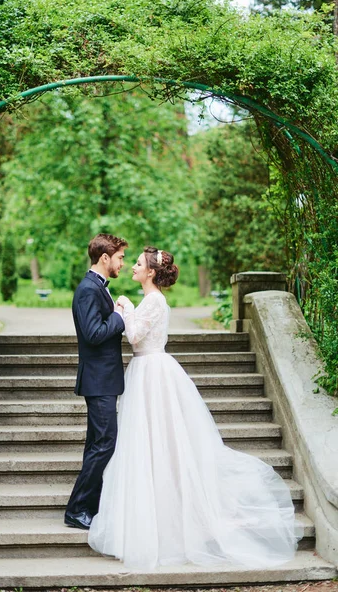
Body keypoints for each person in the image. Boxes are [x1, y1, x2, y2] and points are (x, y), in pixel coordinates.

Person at [88, 246, 303, 570]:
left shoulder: (154, 301)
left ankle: (171, 524)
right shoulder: (152, 300)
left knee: (162, 446)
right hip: (147, 372)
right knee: (147, 447)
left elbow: (133, 336)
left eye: (138, 264)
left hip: (153, 375)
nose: (132, 267)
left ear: (150, 272)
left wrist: (126, 308)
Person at [64, 233, 128, 530]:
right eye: (120, 257)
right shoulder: (89, 290)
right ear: (105, 257)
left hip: (103, 380)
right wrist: (118, 317)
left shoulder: (95, 288)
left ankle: (88, 506)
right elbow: (94, 334)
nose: (122, 263)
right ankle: (77, 509)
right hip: (98, 381)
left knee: (97, 444)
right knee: (105, 443)